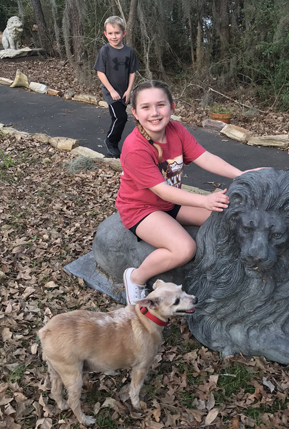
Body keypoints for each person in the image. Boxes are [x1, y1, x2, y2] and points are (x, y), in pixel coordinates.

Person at [116, 80, 266, 304]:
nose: (154, 113)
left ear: (172, 107)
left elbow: (205, 158)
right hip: (141, 208)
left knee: (227, 218)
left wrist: (241, 174)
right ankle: (136, 277)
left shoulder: (176, 130)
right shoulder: (135, 147)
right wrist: (204, 200)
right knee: (184, 249)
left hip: (170, 203)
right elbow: (162, 191)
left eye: (160, 105)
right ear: (135, 113)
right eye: (146, 107)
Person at [93, 16, 139, 158]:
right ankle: (111, 142)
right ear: (105, 34)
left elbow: (132, 72)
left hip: (124, 92)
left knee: (117, 117)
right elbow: (100, 72)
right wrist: (111, 91)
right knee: (121, 117)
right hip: (111, 93)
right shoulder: (105, 51)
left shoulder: (129, 51)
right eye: (110, 33)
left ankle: (137, 143)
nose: (114, 36)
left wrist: (129, 90)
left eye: (117, 33)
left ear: (123, 33)